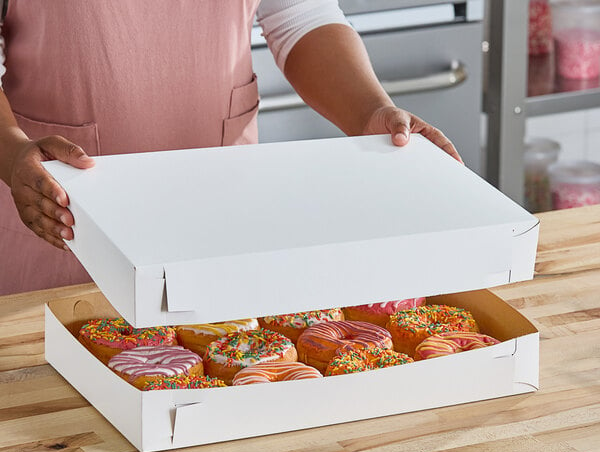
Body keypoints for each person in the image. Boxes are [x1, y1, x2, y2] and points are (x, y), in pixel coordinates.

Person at [0, 0, 461, 296]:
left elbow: (299, 15)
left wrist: (368, 111)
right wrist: (11, 151)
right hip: (58, 223)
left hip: (221, 230)